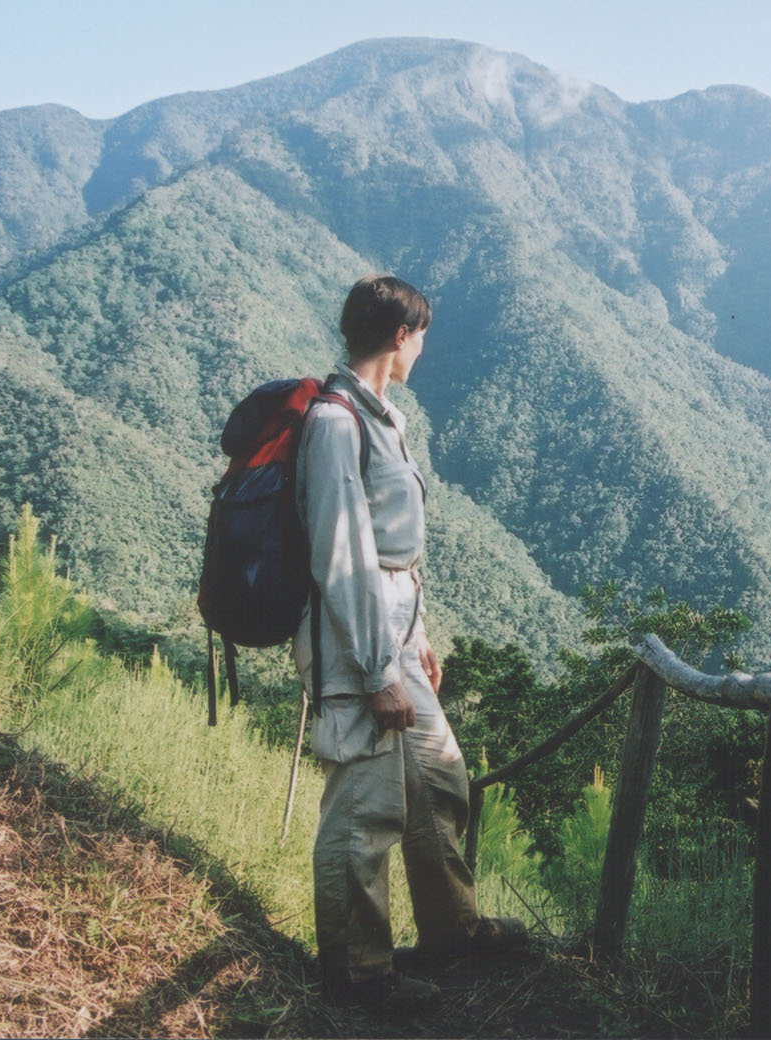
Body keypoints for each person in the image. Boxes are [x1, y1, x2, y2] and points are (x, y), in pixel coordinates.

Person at [295, 274, 525, 1005]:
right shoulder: (336, 422)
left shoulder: (382, 416)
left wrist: (415, 635)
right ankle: (360, 975)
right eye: (421, 336)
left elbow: (396, 549)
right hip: (355, 640)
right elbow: (344, 556)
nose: (422, 348)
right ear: (402, 336)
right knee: (366, 806)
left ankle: (453, 931)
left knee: (438, 780)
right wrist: (373, 672)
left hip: (393, 631)